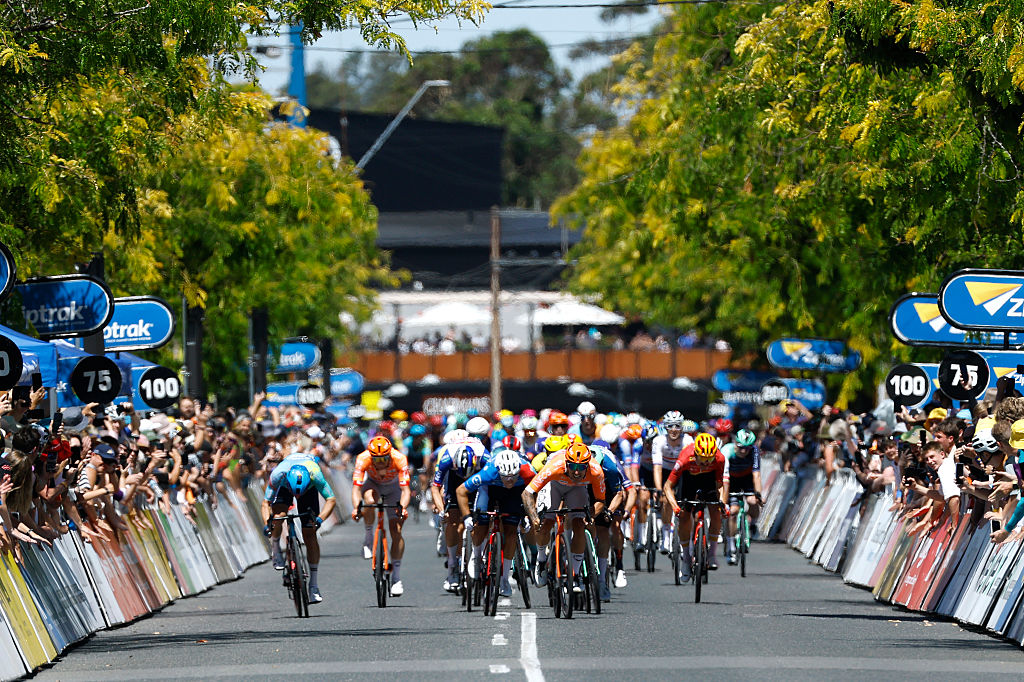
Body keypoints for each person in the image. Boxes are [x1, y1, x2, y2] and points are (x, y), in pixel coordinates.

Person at [522, 441, 606, 593]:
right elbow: (527, 493)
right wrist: (534, 517)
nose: (576, 472)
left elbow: (600, 500)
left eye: (581, 468)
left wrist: (591, 516)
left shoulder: (596, 471)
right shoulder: (554, 466)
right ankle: (541, 560)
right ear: (566, 462)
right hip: (554, 484)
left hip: (577, 488)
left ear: (587, 465)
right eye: (573, 466)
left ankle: (575, 575)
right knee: (546, 523)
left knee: (580, 525)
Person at [456, 449, 536, 597]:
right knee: (482, 524)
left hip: (516, 493)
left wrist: (528, 516)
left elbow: (535, 493)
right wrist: (467, 517)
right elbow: (461, 491)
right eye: (506, 477)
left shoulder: (528, 471)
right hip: (490, 490)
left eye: (513, 476)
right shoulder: (489, 472)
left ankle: (504, 578)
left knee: (512, 531)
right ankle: (476, 554)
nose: (510, 480)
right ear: (500, 472)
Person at [262, 451, 337, 604]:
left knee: (309, 533)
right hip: (284, 487)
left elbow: (331, 500)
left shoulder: (315, 474)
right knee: (278, 516)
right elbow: (265, 503)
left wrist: (319, 520)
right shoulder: (279, 474)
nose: (295, 498)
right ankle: (276, 549)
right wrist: (268, 523)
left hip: (307, 490)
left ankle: (314, 585)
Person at [351, 435, 410, 597]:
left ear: (389, 454)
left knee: (396, 530)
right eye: (376, 459)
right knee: (369, 500)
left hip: (394, 488)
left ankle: (396, 577)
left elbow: (405, 491)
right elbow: (356, 489)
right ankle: (369, 536)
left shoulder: (399, 458)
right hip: (374, 485)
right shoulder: (363, 458)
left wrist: (402, 508)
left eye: (384, 458)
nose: (380, 462)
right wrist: (357, 508)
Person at [663, 432, 726, 577]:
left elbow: (720, 484)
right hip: (688, 481)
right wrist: (675, 507)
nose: (705, 463)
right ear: (695, 454)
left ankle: (712, 554)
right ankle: (686, 557)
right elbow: (667, 486)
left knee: (716, 512)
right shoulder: (685, 458)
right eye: (702, 459)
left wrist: (722, 501)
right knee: (684, 516)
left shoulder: (720, 459)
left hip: (708, 481)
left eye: (708, 460)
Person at [431, 434, 487, 592]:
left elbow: (492, 484)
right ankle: (453, 567)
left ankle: (481, 556)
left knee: (483, 517)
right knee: (452, 520)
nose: (464, 476)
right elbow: (435, 487)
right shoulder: (446, 457)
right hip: (453, 483)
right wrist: (442, 511)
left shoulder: (484, 456)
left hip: (478, 480)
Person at [649, 411, 691, 553]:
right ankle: (666, 534)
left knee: (687, 504)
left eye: (677, 426)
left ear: (682, 428)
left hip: (682, 472)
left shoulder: (688, 441)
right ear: (665, 427)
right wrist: (659, 489)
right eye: (670, 426)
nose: (674, 429)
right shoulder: (659, 441)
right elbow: (657, 468)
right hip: (666, 472)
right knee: (666, 500)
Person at [722, 428, 763, 563]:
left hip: (747, 479)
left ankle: (752, 525)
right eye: (741, 447)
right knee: (733, 512)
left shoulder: (755, 451)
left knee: (752, 501)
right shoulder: (727, 451)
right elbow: (722, 478)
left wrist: (758, 495)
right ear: (735, 443)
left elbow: (756, 475)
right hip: (730, 480)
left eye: (747, 448)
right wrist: (722, 497)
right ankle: (731, 546)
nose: (744, 451)